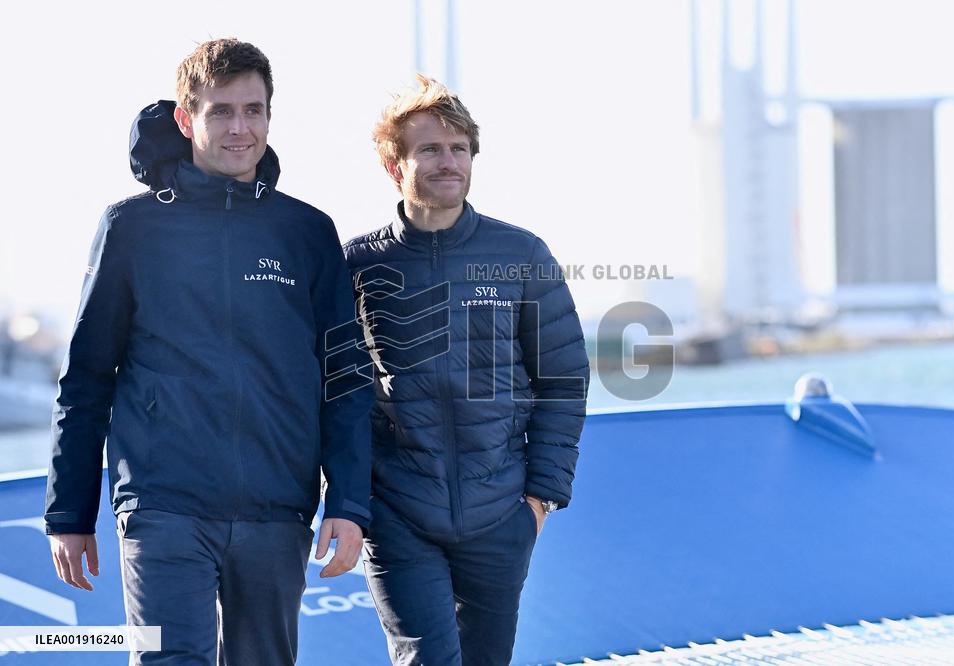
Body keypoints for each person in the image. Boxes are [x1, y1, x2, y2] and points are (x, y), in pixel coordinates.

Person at [44, 38, 372, 665]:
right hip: (163, 503)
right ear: (186, 118)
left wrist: (350, 502)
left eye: (254, 110)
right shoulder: (131, 227)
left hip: (278, 507)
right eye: (221, 110)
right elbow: (87, 377)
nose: (240, 128)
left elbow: (346, 378)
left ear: (271, 116)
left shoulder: (306, 231)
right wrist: (69, 511)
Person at [344, 75, 590, 665]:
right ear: (392, 164)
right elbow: (335, 393)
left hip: (500, 514)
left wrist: (539, 499)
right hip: (399, 512)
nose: (447, 161)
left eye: (458, 148)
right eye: (429, 148)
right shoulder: (354, 265)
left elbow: (563, 379)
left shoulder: (521, 255)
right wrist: (351, 501)